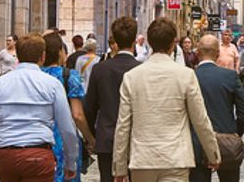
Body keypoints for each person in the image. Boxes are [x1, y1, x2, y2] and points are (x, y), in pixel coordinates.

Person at [112, 17, 220, 182]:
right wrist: (213, 153)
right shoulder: (185, 75)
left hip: (143, 159)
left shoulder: (131, 77)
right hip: (175, 157)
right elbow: (200, 120)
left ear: (149, 42)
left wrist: (119, 167)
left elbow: (123, 125)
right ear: (173, 44)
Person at [0, 34, 80, 182]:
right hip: (38, 154)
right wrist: (71, 162)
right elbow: (67, 128)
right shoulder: (52, 85)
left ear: (18, 55)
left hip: (6, 154)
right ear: (43, 56)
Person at [86, 17, 141, 182]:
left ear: (114, 40)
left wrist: (91, 136)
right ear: (134, 40)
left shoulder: (100, 69)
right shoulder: (141, 70)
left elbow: (90, 106)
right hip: (136, 140)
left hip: (107, 137)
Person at [190, 34, 244, 182]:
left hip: (196, 143)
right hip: (226, 140)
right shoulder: (230, 76)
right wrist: (235, 132)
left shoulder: (190, 76)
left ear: (197, 53)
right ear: (218, 53)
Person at [42, 32, 97, 179]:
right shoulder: (69, 76)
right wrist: (90, 139)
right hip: (64, 140)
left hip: (40, 140)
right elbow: (77, 115)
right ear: (60, 51)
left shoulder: (35, 76)